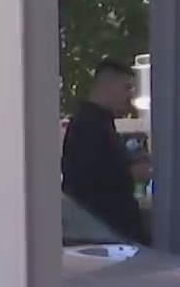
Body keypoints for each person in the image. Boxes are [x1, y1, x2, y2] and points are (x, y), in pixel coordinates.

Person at [62, 60, 150, 244]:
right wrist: (131, 173)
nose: (130, 95)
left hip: (102, 231)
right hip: (101, 233)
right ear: (107, 86)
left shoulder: (95, 122)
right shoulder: (89, 125)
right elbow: (90, 178)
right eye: (126, 88)